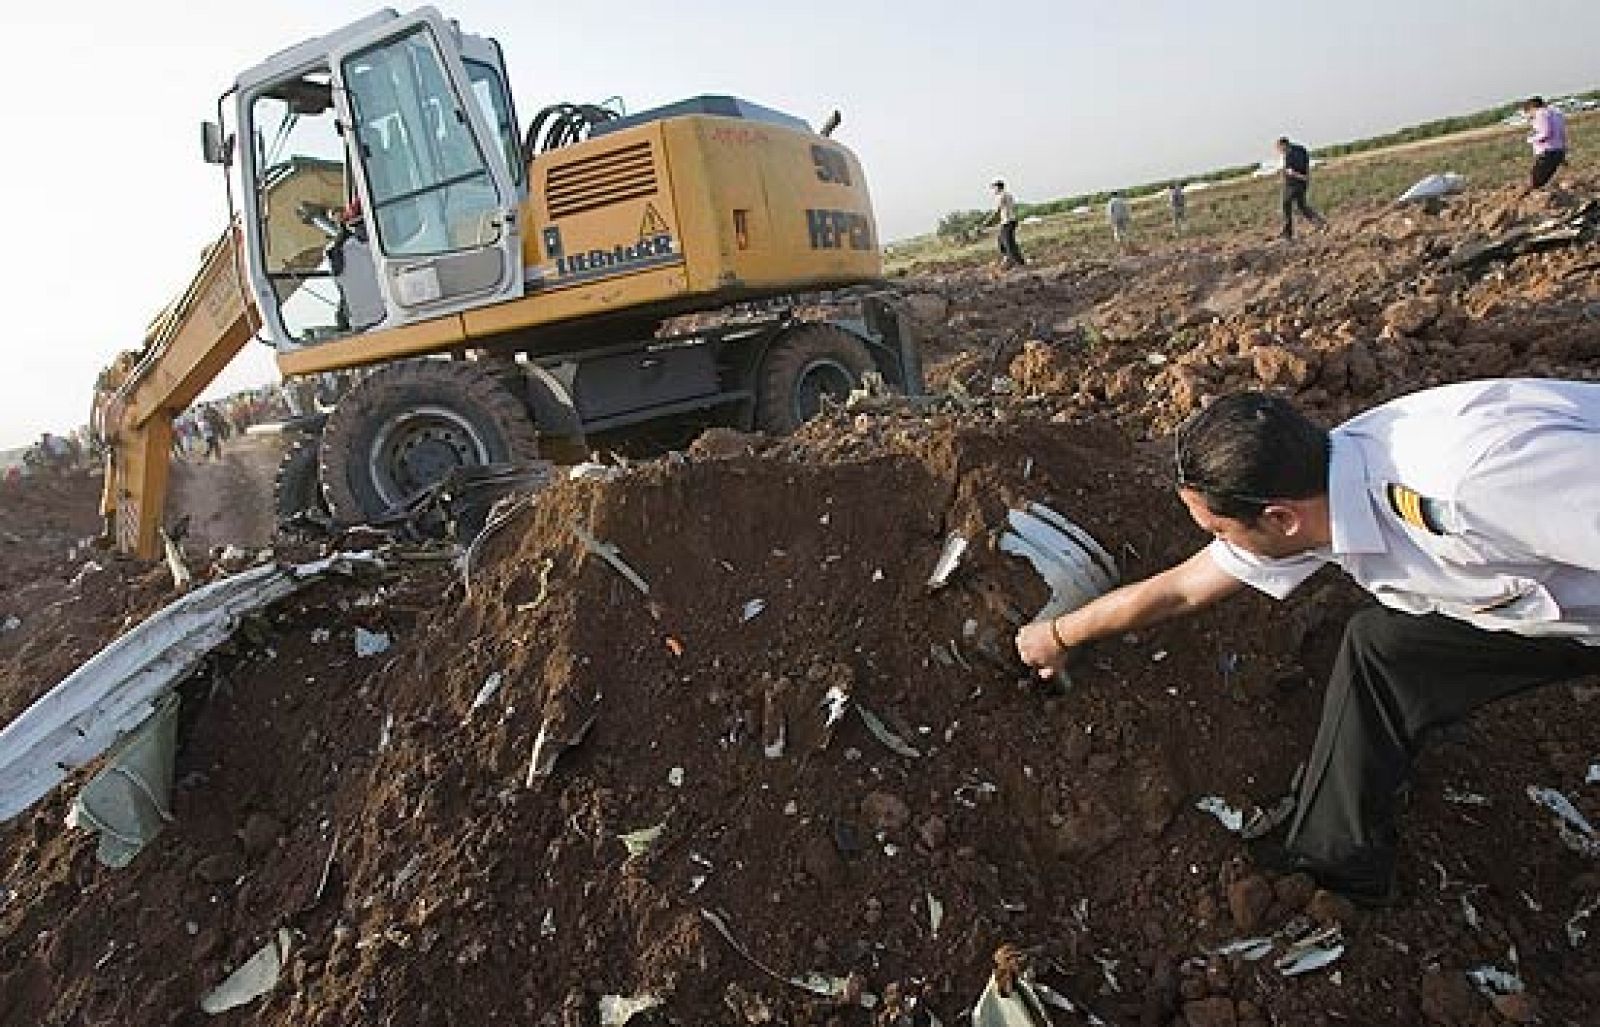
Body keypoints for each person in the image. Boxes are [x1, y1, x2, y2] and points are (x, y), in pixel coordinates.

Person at [1016, 380, 1600, 904]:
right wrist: (1061, 633)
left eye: (1220, 529)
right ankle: (1336, 864)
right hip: (1552, 607)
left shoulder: (1474, 485)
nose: (1220, 544)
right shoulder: (1322, 481)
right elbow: (1185, 590)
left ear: (1280, 519)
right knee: (1383, 650)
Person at [1276, 136, 1326, 239]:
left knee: (1286, 204)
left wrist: (1294, 175)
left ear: (1283, 145)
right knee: (1301, 206)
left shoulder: (1288, 155)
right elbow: (1306, 164)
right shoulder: (1301, 149)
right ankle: (1320, 223)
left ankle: (1288, 233)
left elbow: (1289, 171)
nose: (1280, 151)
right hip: (1301, 183)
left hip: (1293, 184)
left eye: (1280, 149)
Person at [1523, 96, 1568, 190]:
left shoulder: (1540, 113)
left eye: (1528, 113)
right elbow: (1562, 134)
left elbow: (1545, 133)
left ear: (1532, 108)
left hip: (1547, 153)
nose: (1529, 116)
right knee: (1541, 181)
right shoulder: (1556, 113)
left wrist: (1530, 139)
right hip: (1558, 151)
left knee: (1534, 182)